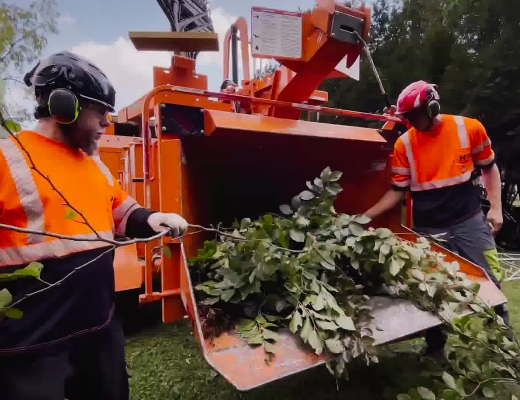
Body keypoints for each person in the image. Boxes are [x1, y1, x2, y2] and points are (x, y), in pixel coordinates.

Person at [0, 51, 188, 400]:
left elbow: (122, 211)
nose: (106, 121)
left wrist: (152, 218)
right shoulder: (7, 159)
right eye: (100, 111)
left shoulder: (93, 166)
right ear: (63, 105)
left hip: (99, 332)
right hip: (32, 350)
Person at [364, 80, 509, 355]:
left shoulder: (468, 128)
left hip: (469, 222)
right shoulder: (404, 144)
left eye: (415, 116)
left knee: (490, 281)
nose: (412, 122)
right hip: (428, 229)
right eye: (407, 118)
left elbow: (489, 167)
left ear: (432, 106)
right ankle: (434, 350)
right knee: (429, 289)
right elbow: (398, 191)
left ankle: (503, 348)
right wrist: (365, 216)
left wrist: (496, 207)